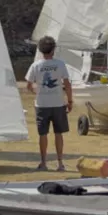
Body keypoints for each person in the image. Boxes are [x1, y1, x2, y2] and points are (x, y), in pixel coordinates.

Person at [24, 36, 73, 172]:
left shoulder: (36, 65)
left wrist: (38, 93)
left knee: (43, 134)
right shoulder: (60, 64)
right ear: (53, 50)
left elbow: (28, 85)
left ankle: (44, 163)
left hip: (42, 104)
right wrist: (70, 101)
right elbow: (67, 84)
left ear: (40, 50)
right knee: (59, 134)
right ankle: (60, 163)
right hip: (58, 104)